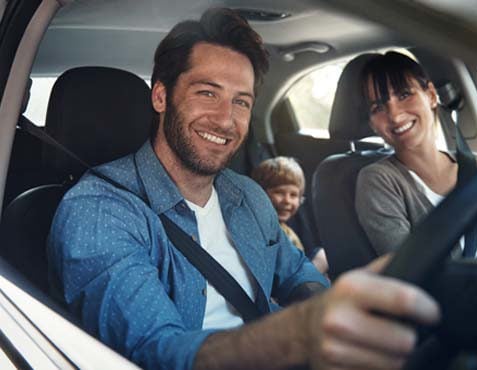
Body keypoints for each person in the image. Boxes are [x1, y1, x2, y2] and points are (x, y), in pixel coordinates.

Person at [48, 10, 440, 370]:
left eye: (241, 102)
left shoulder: (247, 195)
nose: (225, 120)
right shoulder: (99, 210)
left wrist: (339, 315)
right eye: (207, 93)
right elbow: (157, 352)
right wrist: (298, 333)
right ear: (161, 95)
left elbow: (294, 271)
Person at [355, 51, 477, 264]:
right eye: (378, 107)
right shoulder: (378, 181)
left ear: (430, 95)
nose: (394, 114)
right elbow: (411, 274)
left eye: (403, 95)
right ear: (373, 123)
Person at [251, 156, 329, 275]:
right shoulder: (261, 230)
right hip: (287, 283)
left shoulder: (286, 230)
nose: (287, 201)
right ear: (260, 193)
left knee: (322, 254)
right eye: (279, 192)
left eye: (293, 195)